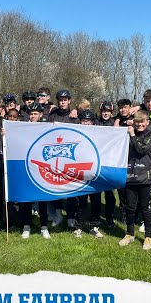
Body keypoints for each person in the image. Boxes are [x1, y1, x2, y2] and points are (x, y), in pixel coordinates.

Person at [118, 109, 151, 250]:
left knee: (145, 208)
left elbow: (141, 150)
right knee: (130, 207)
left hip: (145, 176)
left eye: (142, 122)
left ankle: (149, 236)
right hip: (130, 175)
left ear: (147, 122)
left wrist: (133, 135)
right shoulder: (127, 134)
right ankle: (129, 234)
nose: (139, 124)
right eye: (137, 122)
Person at [16, 102, 51, 239]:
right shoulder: (23, 128)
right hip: (27, 166)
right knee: (27, 199)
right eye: (31, 114)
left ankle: (44, 226)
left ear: (41, 115)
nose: (33, 116)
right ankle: (27, 226)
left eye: (35, 113)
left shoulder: (46, 128)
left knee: (42, 198)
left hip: (41, 166)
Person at [68, 109, 104, 239]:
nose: (86, 123)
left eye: (88, 121)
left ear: (93, 123)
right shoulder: (75, 135)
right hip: (81, 173)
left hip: (95, 172)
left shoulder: (99, 136)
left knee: (96, 201)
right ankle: (78, 226)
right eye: (84, 121)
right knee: (81, 201)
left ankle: (94, 226)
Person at [48, 89, 79, 227]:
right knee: (56, 188)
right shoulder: (52, 115)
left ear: (69, 101)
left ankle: (71, 216)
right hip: (56, 158)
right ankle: (58, 214)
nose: (62, 102)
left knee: (71, 187)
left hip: (71, 157)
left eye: (65, 100)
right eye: (60, 100)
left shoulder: (75, 116)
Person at [97, 101, 116, 228]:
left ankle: (109, 218)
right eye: (104, 111)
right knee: (96, 194)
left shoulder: (116, 122)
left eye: (108, 111)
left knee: (110, 195)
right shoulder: (95, 121)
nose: (105, 113)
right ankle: (96, 218)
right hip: (97, 162)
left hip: (110, 162)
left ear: (111, 112)